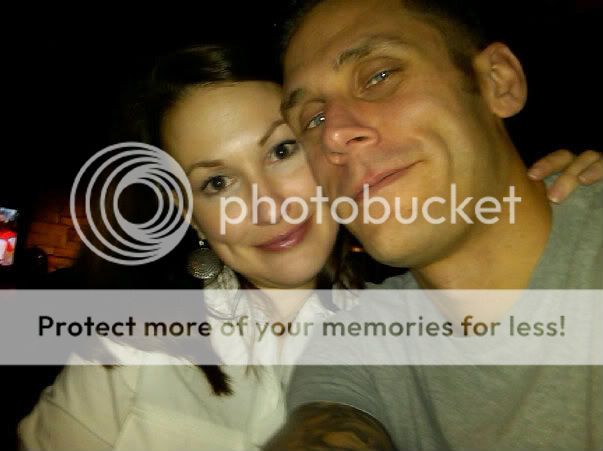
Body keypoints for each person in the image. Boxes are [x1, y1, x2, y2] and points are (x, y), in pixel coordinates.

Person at [18, 42, 600, 450]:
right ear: (189, 215)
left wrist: (568, 197)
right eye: (217, 183)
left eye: (281, 151)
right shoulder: (125, 354)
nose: (268, 204)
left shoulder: (415, 314)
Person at [264, 0, 603, 450]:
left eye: (379, 76)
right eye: (313, 119)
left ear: (497, 81)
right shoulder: (359, 342)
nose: (334, 135)